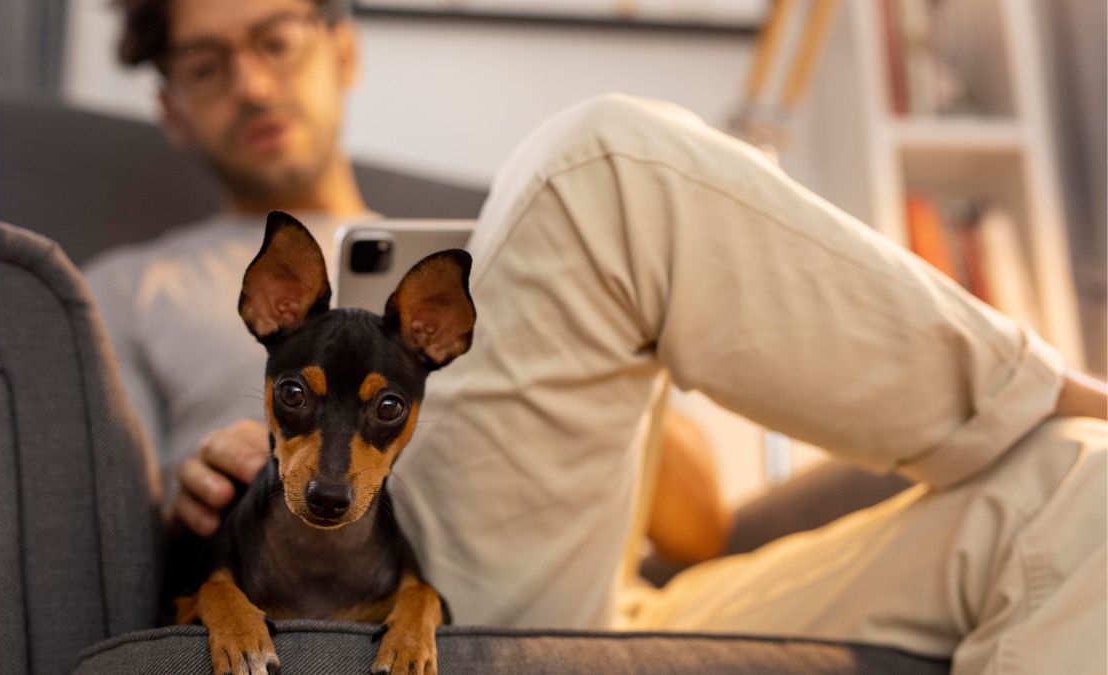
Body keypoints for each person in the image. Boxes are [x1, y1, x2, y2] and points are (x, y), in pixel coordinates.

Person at [88, 0, 1108, 672]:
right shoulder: (130, 288)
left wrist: (615, 373)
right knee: (597, 168)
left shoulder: (505, 258)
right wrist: (201, 475)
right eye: (211, 66)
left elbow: (696, 531)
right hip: (346, 554)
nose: (256, 84)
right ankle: (1037, 382)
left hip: (611, 597)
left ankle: (1054, 414)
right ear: (171, 107)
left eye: (275, 40)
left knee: (1080, 483)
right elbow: (123, 518)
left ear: (340, 47)